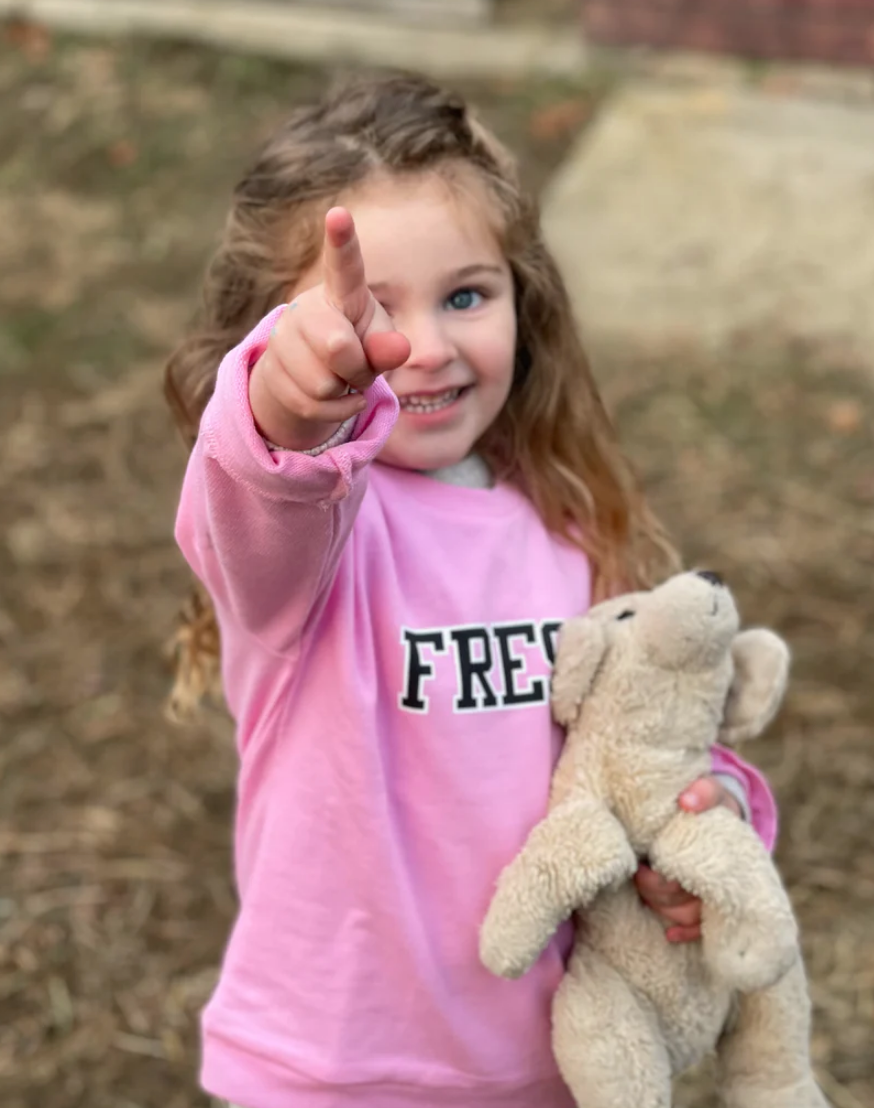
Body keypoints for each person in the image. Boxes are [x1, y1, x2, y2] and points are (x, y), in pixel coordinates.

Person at [165, 73, 777, 1108]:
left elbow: (635, 746)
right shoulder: (312, 540)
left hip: (548, 1054)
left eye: (465, 294)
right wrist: (290, 394)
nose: (426, 348)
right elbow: (256, 477)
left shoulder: (569, 525)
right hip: (332, 1067)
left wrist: (705, 819)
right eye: (368, 315)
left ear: (520, 297)